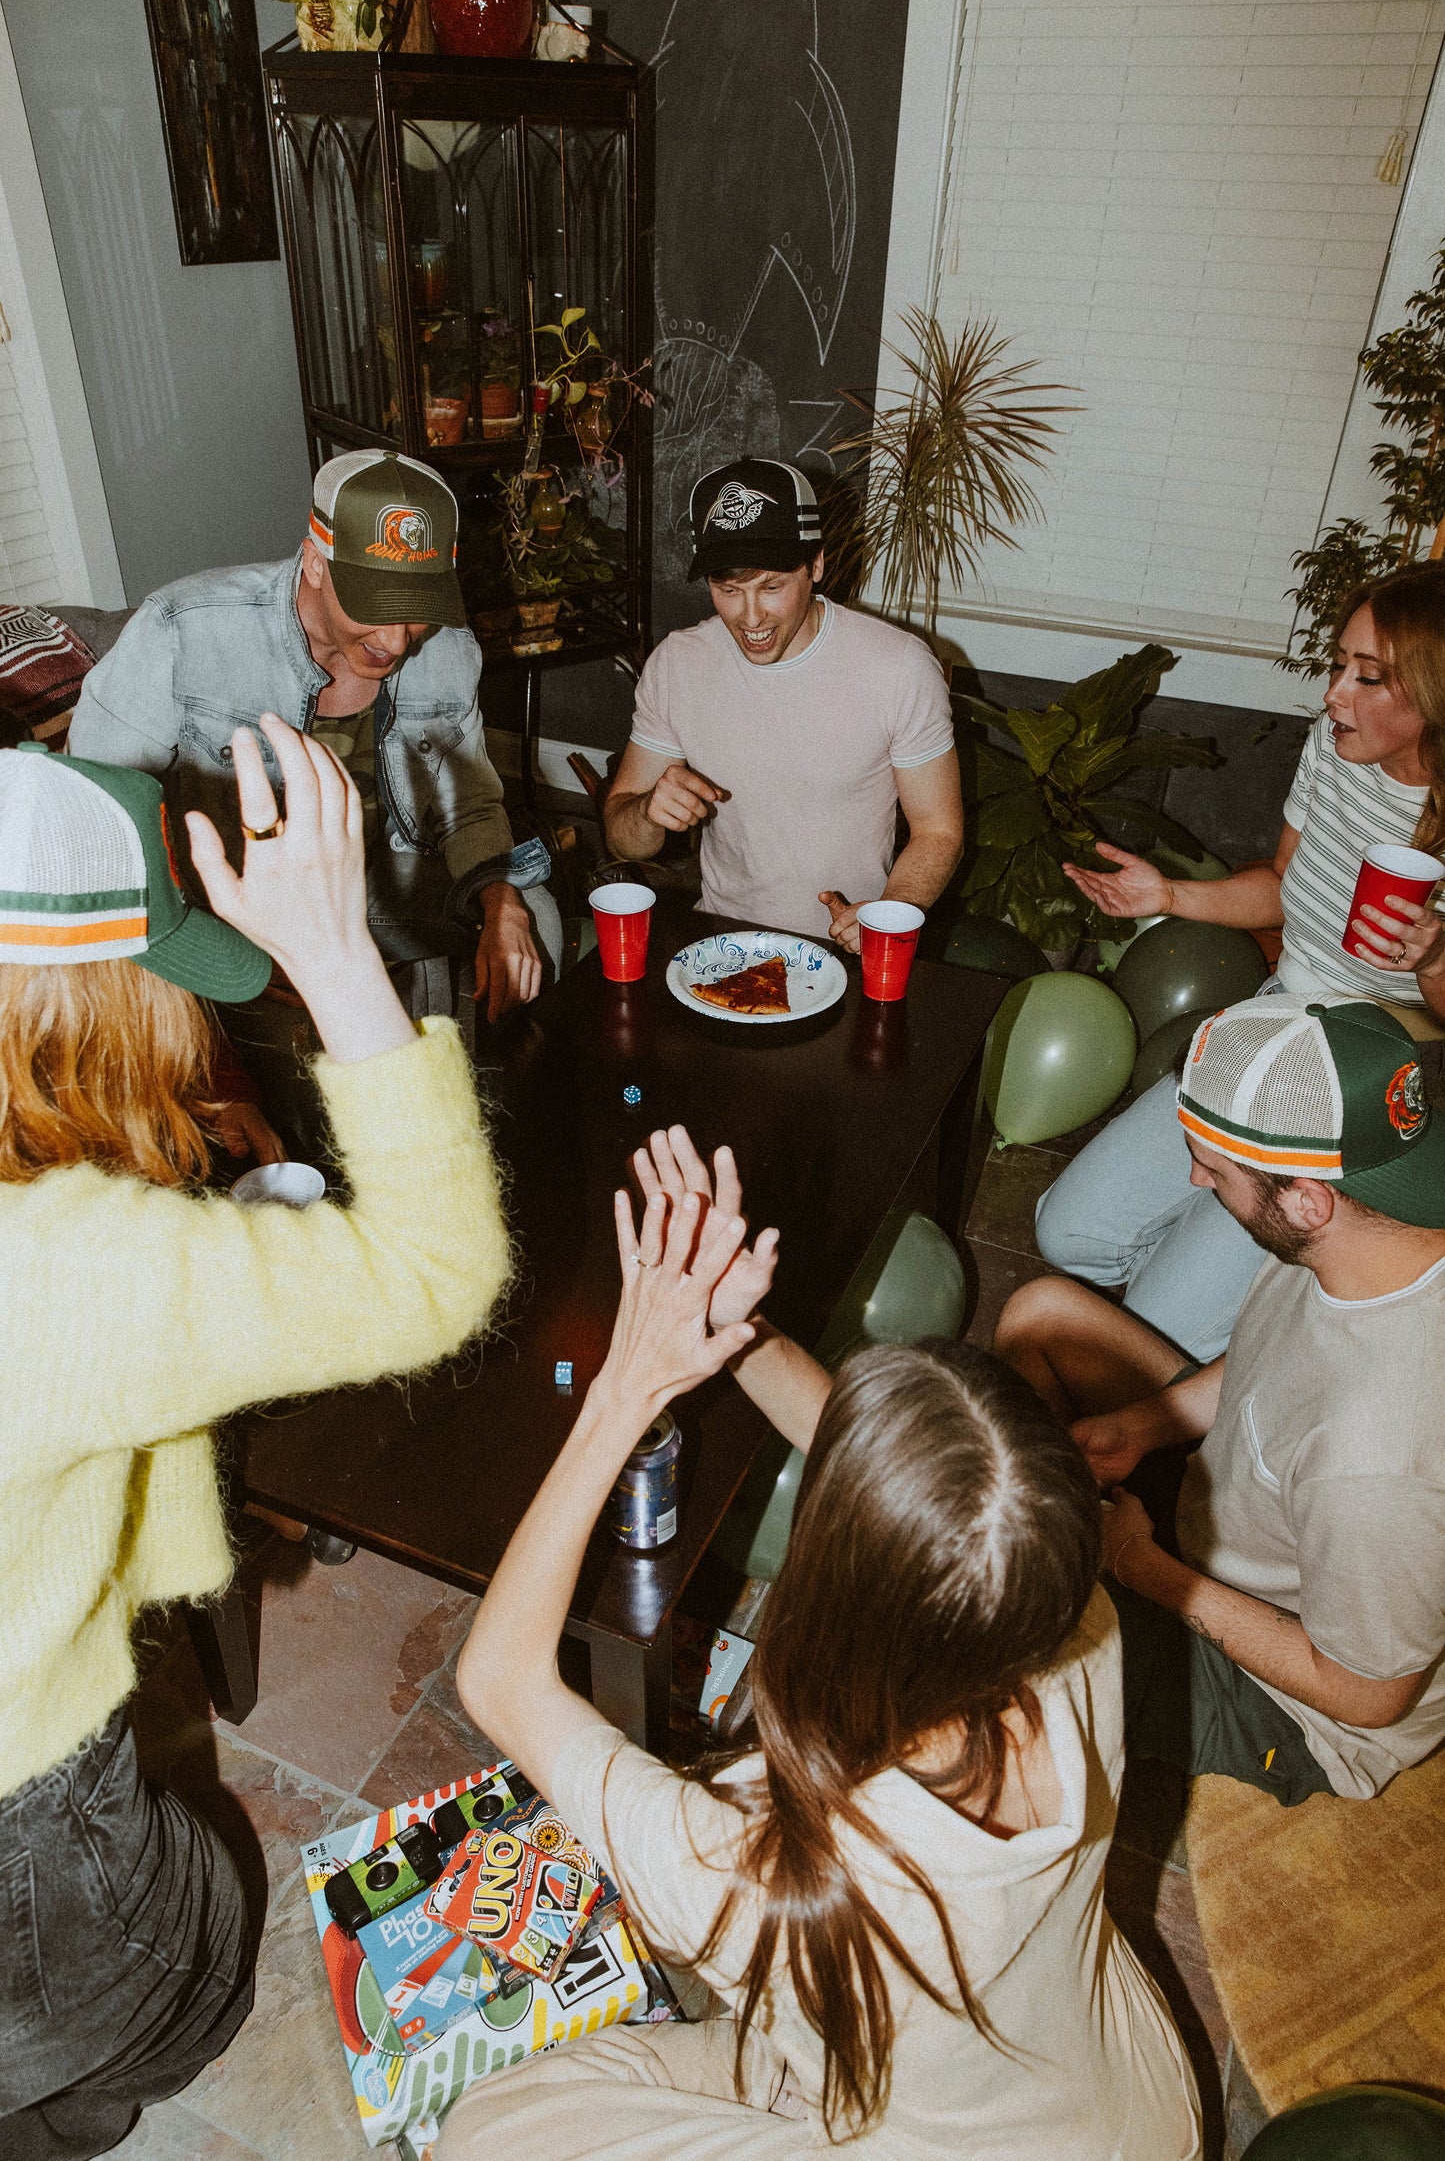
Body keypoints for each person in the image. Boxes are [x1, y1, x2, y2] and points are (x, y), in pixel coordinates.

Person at [437, 1129, 1202, 2160]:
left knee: (483, 2132)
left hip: (930, 2143)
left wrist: (626, 1387)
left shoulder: (767, 1883)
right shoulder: (1073, 1623)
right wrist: (732, 1327)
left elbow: (498, 1677)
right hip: (1121, 2102)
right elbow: (903, 1476)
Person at [0, 722, 510, 2158]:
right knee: (194, 1970)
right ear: (94, 1000)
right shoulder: (74, 1266)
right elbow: (434, 1272)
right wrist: (338, 955)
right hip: (18, 1824)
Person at [997, 994, 1445, 1806]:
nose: (1196, 1180)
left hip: (1288, 1699)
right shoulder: (1373, 1231)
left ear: (1306, 1200)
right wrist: (1144, 1425)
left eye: (1215, 1168)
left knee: (995, 1609)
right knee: (1041, 1315)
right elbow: (1282, 1353)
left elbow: (1366, 1696)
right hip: (1239, 1506)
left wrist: (1136, 1563)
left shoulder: (1376, 1465)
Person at [68, 449, 560, 1153]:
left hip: (386, 884)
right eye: (376, 608)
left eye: (417, 613)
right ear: (315, 562)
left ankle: (471, 1131)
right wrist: (251, 949)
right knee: (307, 1099)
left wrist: (500, 903)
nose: (396, 642)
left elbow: (471, 804)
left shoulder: (448, 649)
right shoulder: (183, 630)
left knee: (538, 923)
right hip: (239, 912)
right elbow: (96, 822)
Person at [1032, 560, 1445, 1361]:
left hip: (1365, 1075)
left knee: (1162, 1327)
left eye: (1367, 678)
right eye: (1337, 666)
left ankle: (1257, 1324)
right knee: (1068, 1234)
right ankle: (1216, 1320)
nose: (1334, 695)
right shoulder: (1332, 749)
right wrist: (1169, 895)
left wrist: (1432, 956)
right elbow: (1283, 886)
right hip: (1273, 1016)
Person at [601, 458, 964, 950]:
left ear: (816, 565)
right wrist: (647, 812)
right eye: (728, 590)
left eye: (771, 587)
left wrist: (889, 915)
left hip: (848, 948)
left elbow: (939, 831)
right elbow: (622, 835)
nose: (750, 617)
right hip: (722, 939)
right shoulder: (678, 663)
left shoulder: (899, 667)